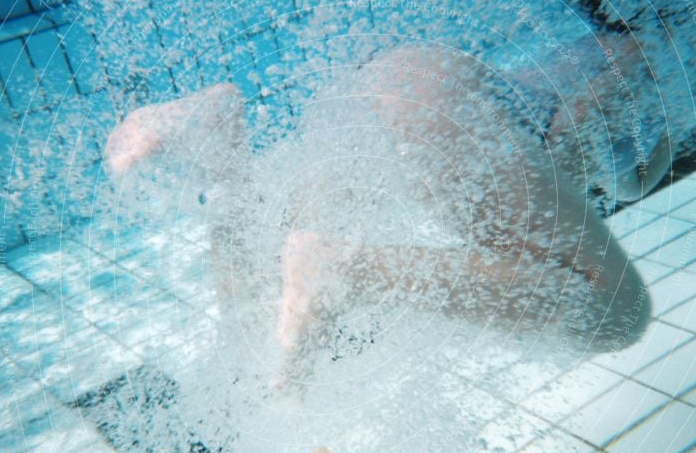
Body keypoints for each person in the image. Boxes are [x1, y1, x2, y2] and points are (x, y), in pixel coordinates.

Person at [105, 38, 657, 389]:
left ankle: (220, 147)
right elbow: (575, 124)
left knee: (269, 304)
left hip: (372, 91)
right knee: (615, 309)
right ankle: (349, 271)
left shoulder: (606, 55)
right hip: (447, 105)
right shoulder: (647, 47)